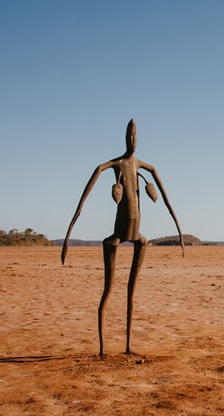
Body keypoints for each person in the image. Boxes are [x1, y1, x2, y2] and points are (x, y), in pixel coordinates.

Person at [61, 119, 183, 356]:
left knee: (131, 292)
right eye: (129, 136)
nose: (132, 140)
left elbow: (165, 197)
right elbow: (95, 176)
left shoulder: (143, 166)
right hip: (117, 236)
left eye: (135, 136)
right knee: (108, 290)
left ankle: (128, 346)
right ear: (125, 139)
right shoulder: (115, 164)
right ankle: (102, 348)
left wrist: (178, 227)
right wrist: (69, 234)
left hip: (138, 235)